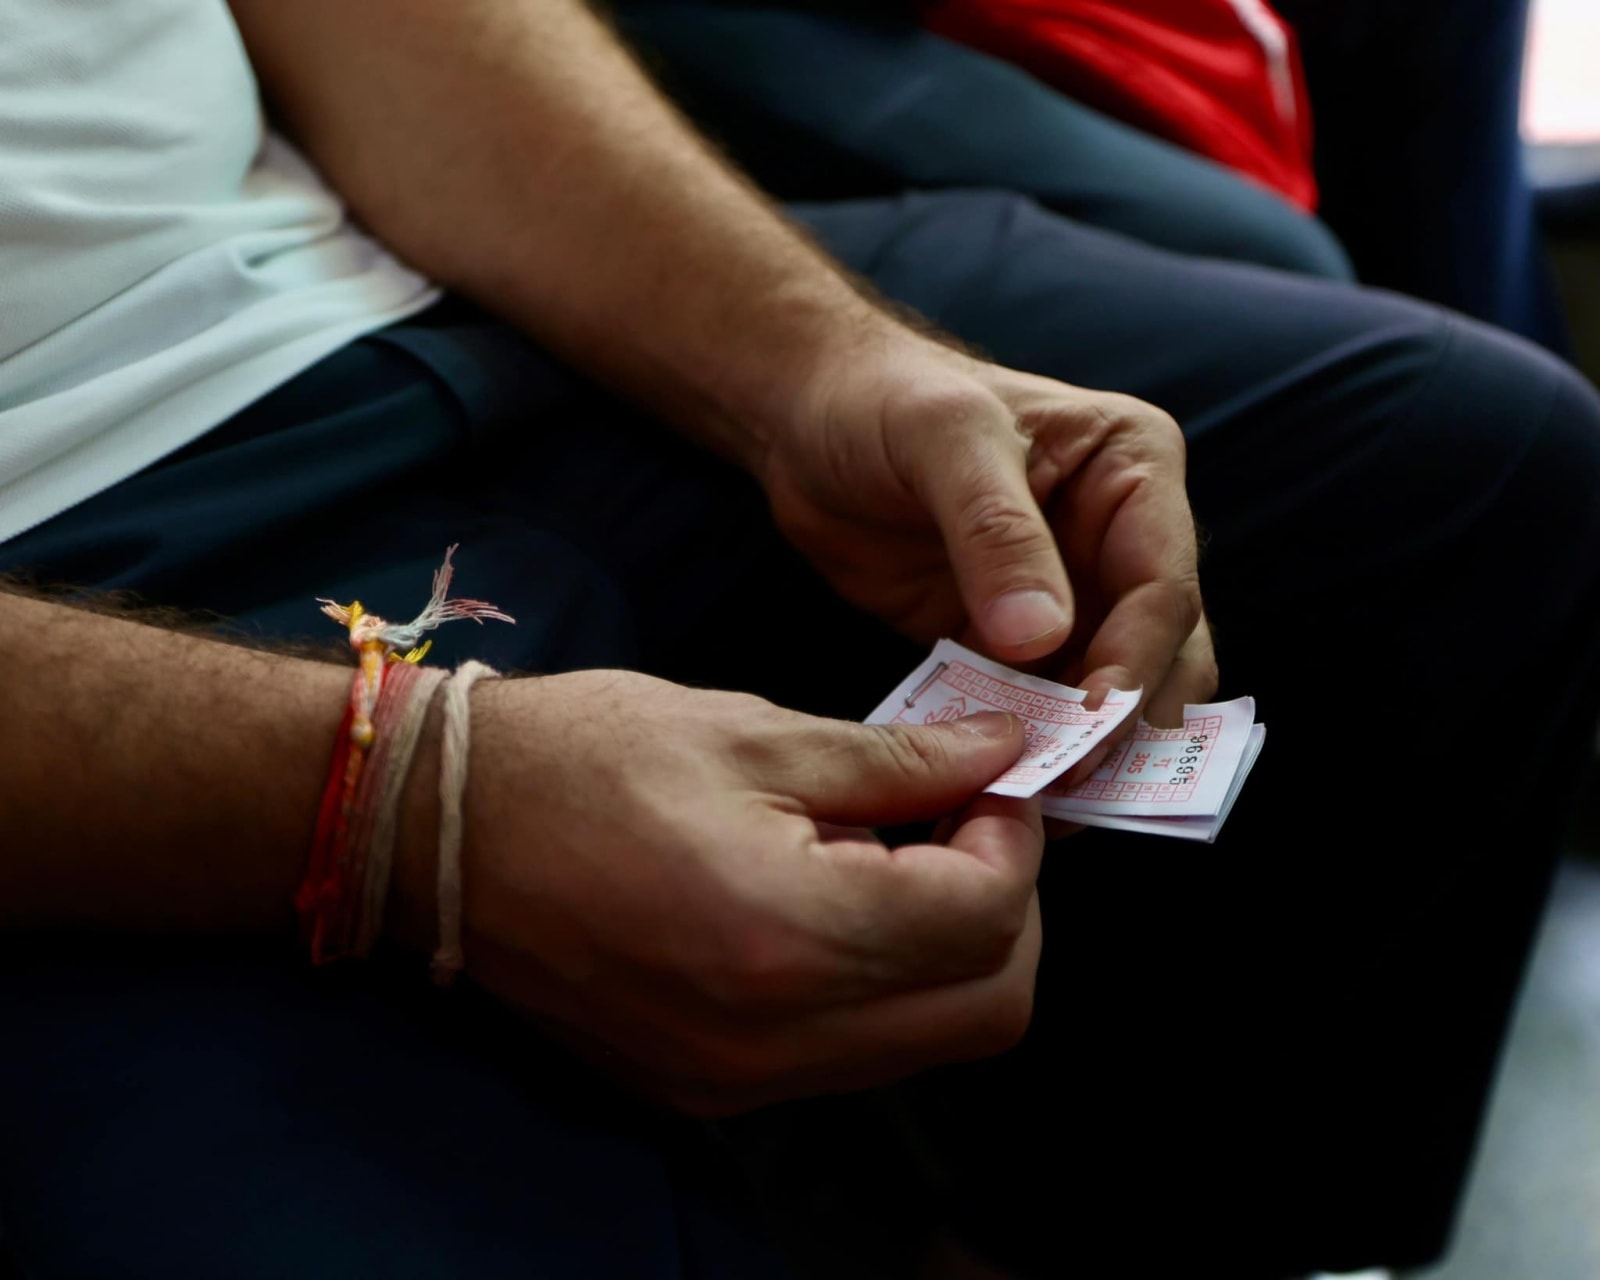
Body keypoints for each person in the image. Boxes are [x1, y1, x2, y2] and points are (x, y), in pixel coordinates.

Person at [1, 1, 1598, 1277]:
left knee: (1471, 468)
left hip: (390, 291)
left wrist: (817, 367)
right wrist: (397, 797)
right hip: (68, 587)